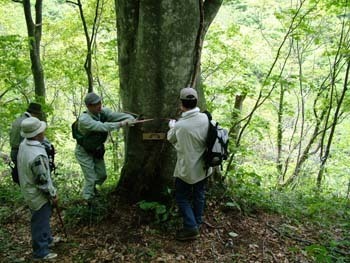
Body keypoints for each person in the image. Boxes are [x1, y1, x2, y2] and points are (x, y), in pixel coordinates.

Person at [75, 92, 136, 203]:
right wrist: (122, 124)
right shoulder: (84, 120)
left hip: (97, 150)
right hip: (83, 152)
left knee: (102, 175)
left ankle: (92, 190)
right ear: (88, 106)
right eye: (95, 104)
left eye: (99, 103)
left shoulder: (103, 112)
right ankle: (87, 201)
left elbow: (115, 116)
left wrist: (131, 118)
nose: (99, 106)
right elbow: (102, 127)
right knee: (91, 178)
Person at [167, 87, 211, 241]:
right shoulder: (206, 118)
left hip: (186, 169)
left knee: (182, 197)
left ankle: (191, 227)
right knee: (199, 195)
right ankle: (197, 223)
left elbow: (170, 138)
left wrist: (172, 126)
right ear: (196, 101)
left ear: (181, 103)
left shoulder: (180, 125)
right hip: (204, 166)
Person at [17, 117, 58, 260]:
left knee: (44, 217)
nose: (44, 132)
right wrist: (53, 194)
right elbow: (42, 181)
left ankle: (48, 240)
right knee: (40, 220)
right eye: (41, 130)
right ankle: (41, 252)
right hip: (36, 193)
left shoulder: (25, 144)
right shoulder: (36, 156)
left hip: (29, 189)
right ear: (36, 134)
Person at [9, 103, 44, 184]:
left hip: (14, 151)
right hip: (22, 152)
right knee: (29, 179)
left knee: (20, 179)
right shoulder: (27, 123)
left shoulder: (18, 120)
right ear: (36, 113)